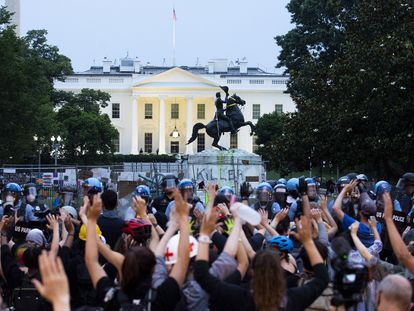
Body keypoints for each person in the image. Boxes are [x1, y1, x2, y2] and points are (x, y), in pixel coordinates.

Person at [194, 203, 329, 310]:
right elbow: (322, 279)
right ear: (279, 273)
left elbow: (202, 275)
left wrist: (207, 233)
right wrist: (308, 242)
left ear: (253, 272)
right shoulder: (292, 299)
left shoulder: (241, 298)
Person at [85, 189, 191, 310]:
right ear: (153, 269)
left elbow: (91, 262)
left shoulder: (111, 297)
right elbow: (183, 259)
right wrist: (182, 219)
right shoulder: (162, 296)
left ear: (124, 268)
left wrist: (91, 219)